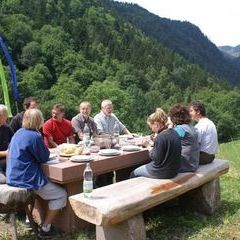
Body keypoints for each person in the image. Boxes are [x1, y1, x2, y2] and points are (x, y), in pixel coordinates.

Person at [6, 109, 67, 238]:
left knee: (46, 188)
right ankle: (46, 228)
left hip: (12, 176)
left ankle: (32, 219)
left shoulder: (18, 132)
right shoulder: (34, 136)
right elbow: (44, 157)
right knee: (61, 194)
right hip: (26, 179)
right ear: (38, 120)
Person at [130, 108, 181, 179]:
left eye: (151, 126)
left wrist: (147, 145)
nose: (151, 129)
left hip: (163, 172)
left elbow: (156, 159)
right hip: (174, 171)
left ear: (156, 124)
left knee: (133, 173)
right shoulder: (174, 132)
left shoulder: (161, 137)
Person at [169, 104, 199, 172]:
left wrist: (170, 128)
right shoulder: (191, 127)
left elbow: (167, 141)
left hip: (185, 166)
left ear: (173, 117)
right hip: (193, 164)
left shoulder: (180, 129)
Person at [0, 105, 14, 184]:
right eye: (5, 115)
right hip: (3, 161)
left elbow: (14, 142)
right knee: (3, 181)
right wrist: (5, 153)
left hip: (7, 160)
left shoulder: (7, 128)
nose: (7, 117)